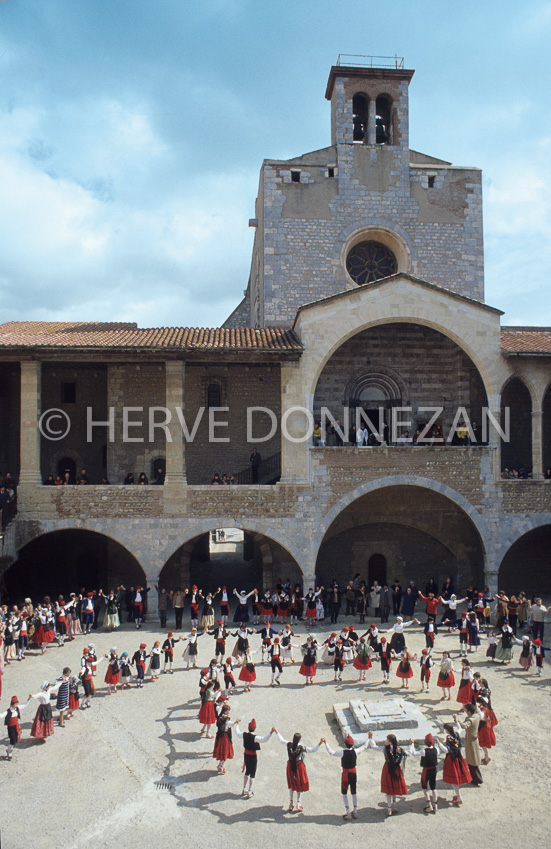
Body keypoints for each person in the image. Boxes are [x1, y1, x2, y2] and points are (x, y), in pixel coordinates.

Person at [324, 733, 369, 819]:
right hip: (353, 773)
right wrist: (369, 738)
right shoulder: (355, 751)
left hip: (345, 774)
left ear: (345, 744)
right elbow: (364, 747)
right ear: (352, 744)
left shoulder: (342, 753)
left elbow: (331, 752)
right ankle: (355, 811)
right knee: (354, 792)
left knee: (344, 792)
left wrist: (326, 743)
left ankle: (348, 811)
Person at [276, 730, 322, 812]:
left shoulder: (289, 745)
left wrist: (276, 732)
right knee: (299, 785)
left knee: (291, 784)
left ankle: (291, 803)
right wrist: (320, 743)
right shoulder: (301, 748)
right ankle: (298, 803)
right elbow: (312, 750)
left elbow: (281, 740)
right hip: (298, 767)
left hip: (290, 766)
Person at [367, 731, 410, 816]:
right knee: (394, 789)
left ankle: (389, 809)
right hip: (396, 770)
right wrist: (411, 745)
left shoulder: (385, 748)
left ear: (390, 741)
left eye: (387, 740)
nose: (386, 741)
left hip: (388, 769)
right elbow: (409, 753)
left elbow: (374, 747)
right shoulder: (400, 749)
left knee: (389, 790)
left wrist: (371, 738)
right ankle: (394, 806)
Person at [234, 719, 275, 798]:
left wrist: (237, 724)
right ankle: (250, 791)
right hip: (252, 756)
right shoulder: (255, 737)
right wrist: (271, 732)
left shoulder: (244, 734)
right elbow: (264, 739)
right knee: (252, 773)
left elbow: (237, 732)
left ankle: (244, 788)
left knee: (247, 771)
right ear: (254, 728)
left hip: (246, 754)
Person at [438, 722, 472, 805]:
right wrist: (456, 721)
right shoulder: (456, 734)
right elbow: (460, 728)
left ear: (446, 730)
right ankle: (458, 795)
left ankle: (459, 797)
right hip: (459, 757)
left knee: (454, 780)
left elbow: (447, 750)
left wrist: (439, 744)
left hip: (452, 760)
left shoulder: (449, 738)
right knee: (456, 778)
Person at [407, 733, 441, 813]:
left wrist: (411, 745)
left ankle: (429, 805)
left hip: (426, 770)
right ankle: (435, 805)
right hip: (434, 770)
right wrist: (436, 743)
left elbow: (414, 753)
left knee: (424, 787)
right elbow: (438, 751)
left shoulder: (424, 751)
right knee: (433, 787)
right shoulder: (436, 750)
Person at [454, 705, 483, 786]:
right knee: (473, 758)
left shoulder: (471, 719)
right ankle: (476, 778)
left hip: (470, 741)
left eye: (466, 711)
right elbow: (477, 710)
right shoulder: (477, 715)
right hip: (474, 739)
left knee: (472, 760)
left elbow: (464, 726)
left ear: (469, 712)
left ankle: (476, 779)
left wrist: (457, 720)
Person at [213, 703, 240, 774]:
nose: (228, 712)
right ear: (225, 711)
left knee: (222, 751)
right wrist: (235, 722)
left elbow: (217, 708)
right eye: (228, 710)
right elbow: (229, 724)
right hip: (225, 736)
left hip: (220, 735)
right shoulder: (226, 719)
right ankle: (220, 766)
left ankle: (220, 765)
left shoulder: (220, 716)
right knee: (225, 752)